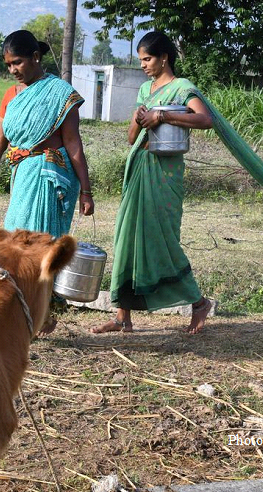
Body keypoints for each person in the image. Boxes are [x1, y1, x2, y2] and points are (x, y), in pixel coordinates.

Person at [0, 30, 94, 335]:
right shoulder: (11, 96)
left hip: (49, 178)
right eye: (8, 64)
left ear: (35, 57)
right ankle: (31, 315)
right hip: (22, 178)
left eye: (17, 62)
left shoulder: (61, 93)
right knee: (15, 245)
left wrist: (86, 190)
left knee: (35, 250)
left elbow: (73, 144)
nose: (13, 70)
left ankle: (36, 314)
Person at [90, 31, 213, 335]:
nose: (143, 64)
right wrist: (139, 116)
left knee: (162, 240)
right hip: (139, 167)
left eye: (147, 58)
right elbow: (133, 137)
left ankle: (198, 303)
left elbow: (205, 120)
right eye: (141, 59)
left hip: (165, 172)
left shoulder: (182, 88)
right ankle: (122, 316)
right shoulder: (146, 89)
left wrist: (164, 116)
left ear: (164, 58)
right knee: (127, 237)